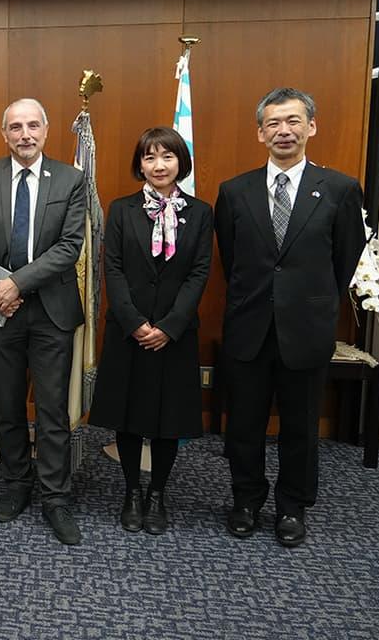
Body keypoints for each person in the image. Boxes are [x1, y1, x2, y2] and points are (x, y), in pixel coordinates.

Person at [216, 87, 364, 547]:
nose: (284, 130)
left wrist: (312, 301)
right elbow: (230, 256)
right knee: (244, 423)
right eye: (274, 123)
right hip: (249, 327)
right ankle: (245, 500)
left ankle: (292, 507)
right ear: (260, 133)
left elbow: (346, 257)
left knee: (300, 425)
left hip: (306, 329)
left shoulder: (339, 189)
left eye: (294, 121)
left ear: (311, 127)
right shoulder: (234, 191)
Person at [0, 98, 87, 545]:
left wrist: (16, 284)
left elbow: (70, 246)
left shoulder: (71, 179)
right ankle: (16, 483)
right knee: (8, 405)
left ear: (47, 130)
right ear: (4, 134)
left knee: (52, 409)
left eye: (33, 125)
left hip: (50, 309)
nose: (25, 134)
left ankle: (55, 495)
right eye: (15, 127)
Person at [88, 127, 212, 536]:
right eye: (149, 157)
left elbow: (198, 273)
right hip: (129, 331)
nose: (158, 165)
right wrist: (136, 323)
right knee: (129, 418)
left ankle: (157, 494)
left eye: (167, 157)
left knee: (167, 420)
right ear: (139, 164)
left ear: (181, 162)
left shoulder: (200, 212)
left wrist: (170, 326)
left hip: (175, 335)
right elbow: (114, 270)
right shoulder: (122, 209)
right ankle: (130, 491)